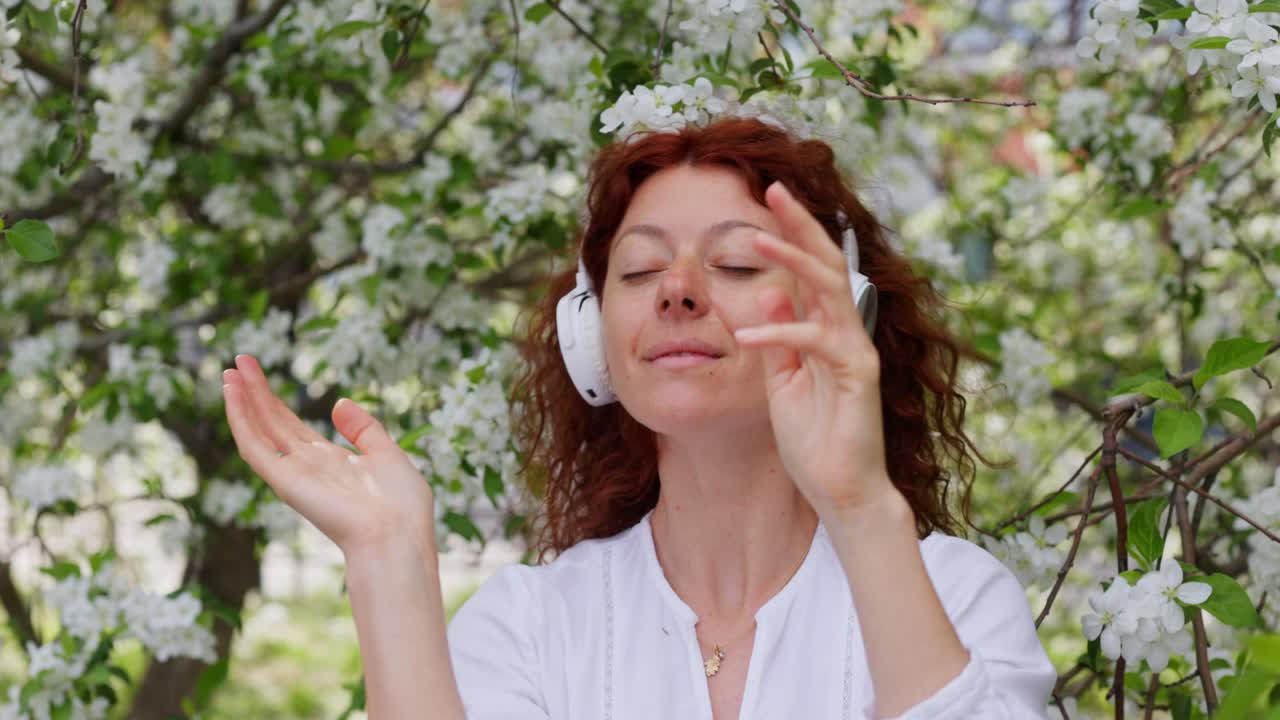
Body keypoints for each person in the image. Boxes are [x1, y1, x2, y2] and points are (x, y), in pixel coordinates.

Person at [221, 114, 1057, 720]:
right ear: (592, 338)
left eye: (733, 261)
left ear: (840, 315)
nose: (677, 288)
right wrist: (387, 561)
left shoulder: (952, 597)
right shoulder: (533, 625)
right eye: (640, 269)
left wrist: (860, 506)